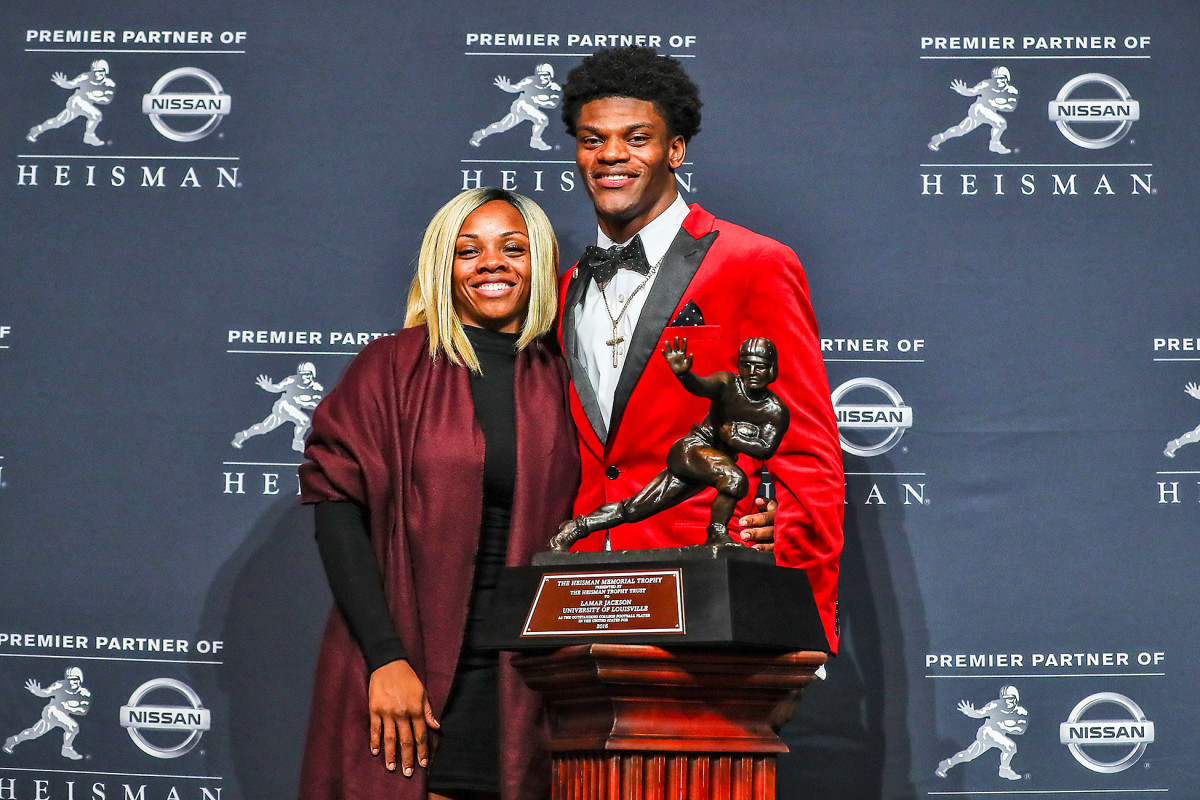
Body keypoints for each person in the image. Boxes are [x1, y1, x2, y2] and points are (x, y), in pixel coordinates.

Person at [556, 46, 844, 653]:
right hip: (583, 610)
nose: (612, 155)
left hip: (713, 601)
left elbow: (807, 453)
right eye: (593, 139)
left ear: (675, 150)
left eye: (637, 138)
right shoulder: (563, 287)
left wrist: (799, 631)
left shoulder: (753, 264)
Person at [298, 188, 579, 800]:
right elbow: (337, 514)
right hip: (410, 661)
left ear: (542, 264)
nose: (492, 263)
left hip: (533, 675)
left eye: (514, 248)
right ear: (440, 266)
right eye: (467, 250)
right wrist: (385, 658)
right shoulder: (388, 369)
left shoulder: (570, 374)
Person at [553, 336, 788, 550]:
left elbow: (765, 448)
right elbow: (702, 386)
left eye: (760, 366)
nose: (752, 372)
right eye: (747, 365)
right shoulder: (727, 384)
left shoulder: (775, 411)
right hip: (691, 450)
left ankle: (576, 528)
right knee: (734, 479)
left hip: (708, 467)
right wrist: (685, 374)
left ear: (771, 370)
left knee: (634, 508)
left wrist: (734, 437)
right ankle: (716, 535)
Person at [936, 685, 1028, 781]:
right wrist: (972, 713)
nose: (1007, 701)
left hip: (998, 735)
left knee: (968, 755)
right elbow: (981, 713)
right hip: (987, 732)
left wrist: (1004, 727)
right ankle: (1004, 770)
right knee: (1010, 746)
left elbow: (1021, 730)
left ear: (1016, 698)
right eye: (1004, 699)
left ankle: (946, 764)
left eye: (1010, 698)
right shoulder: (995, 705)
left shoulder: (1021, 713)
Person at [231, 363, 324, 453]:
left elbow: (316, 404)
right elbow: (277, 388)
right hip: (283, 406)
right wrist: (268, 387)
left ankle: (242, 435)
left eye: (307, 375)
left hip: (294, 409)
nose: (304, 377)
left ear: (312, 375)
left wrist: (302, 402)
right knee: (304, 421)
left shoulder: (316, 388)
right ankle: (297, 443)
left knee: (264, 428)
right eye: (302, 375)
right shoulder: (292, 380)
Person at [3, 667, 91, 760]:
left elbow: (83, 711)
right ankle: (67, 749)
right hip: (52, 711)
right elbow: (46, 692)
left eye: (74, 679)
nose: (71, 682)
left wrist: (68, 707)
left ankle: (13, 740)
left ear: (80, 680)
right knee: (73, 727)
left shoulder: (84, 694)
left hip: (62, 715)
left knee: (34, 733)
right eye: (69, 679)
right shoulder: (60, 685)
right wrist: (38, 691)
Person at [928, 66, 1019, 154]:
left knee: (960, 130)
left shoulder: (1012, 91)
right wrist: (964, 91)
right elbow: (973, 91)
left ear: (1007, 78)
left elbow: (1011, 107)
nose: (999, 81)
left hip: (989, 112)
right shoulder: (987, 84)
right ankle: (994, 144)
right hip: (979, 109)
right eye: (996, 78)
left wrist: (995, 104)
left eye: (1001, 78)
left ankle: (939, 138)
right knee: (1001, 123)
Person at [469, 64, 561, 151]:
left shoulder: (554, 88)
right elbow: (515, 88)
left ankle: (480, 134)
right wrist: (506, 87)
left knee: (502, 126)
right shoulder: (530, 81)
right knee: (542, 119)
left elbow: (553, 104)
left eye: (545, 75)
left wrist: (538, 101)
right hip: (521, 105)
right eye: (540, 75)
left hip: (532, 108)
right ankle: (535, 141)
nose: (542, 78)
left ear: (550, 75)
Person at [27, 61, 115, 146]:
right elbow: (72, 84)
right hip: (77, 101)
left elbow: (107, 100)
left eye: (100, 71)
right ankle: (89, 136)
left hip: (86, 104)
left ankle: (38, 129)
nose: (97, 74)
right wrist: (63, 83)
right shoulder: (86, 77)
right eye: (95, 71)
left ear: (105, 71)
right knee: (96, 115)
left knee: (58, 122)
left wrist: (93, 97)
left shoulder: (109, 84)